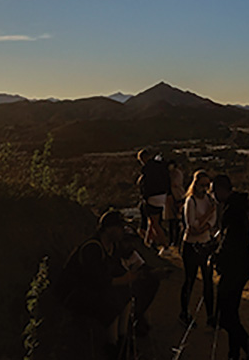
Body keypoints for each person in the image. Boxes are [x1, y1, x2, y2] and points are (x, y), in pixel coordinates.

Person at [58, 208, 161, 359]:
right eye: (119, 227)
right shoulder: (92, 248)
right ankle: (113, 345)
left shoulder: (112, 247)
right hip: (74, 293)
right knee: (110, 301)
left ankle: (122, 338)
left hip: (92, 288)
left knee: (125, 295)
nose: (122, 231)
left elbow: (117, 272)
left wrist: (141, 275)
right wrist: (127, 279)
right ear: (108, 229)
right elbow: (99, 280)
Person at [211, 173, 249, 360]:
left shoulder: (232, 211)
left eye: (213, 191)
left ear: (220, 190)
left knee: (226, 317)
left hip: (234, 269)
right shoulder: (237, 207)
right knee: (232, 314)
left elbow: (231, 242)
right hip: (240, 268)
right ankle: (234, 354)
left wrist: (218, 256)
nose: (213, 195)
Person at [179, 170, 218, 327]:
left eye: (207, 185)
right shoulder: (191, 201)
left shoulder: (209, 200)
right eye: (202, 185)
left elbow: (212, 221)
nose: (204, 188)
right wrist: (207, 217)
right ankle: (184, 312)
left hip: (205, 244)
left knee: (208, 281)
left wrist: (204, 225)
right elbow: (192, 226)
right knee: (190, 279)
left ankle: (210, 315)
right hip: (191, 245)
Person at [136, 148, 170, 251]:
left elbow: (146, 185)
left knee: (155, 223)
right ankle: (147, 242)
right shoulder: (160, 166)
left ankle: (165, 245)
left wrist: (144, 196)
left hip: (152, 197)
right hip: (162, 195)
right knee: (152, 221)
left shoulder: (147, 169)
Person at [164, 158, 185, 246]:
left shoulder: (177, 173)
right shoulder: (169, 174)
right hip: (170, 199)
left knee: (177, 221)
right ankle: (172, 240)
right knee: (171, 221)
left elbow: (176, 184)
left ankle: (176, 240)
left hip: (177, 197)